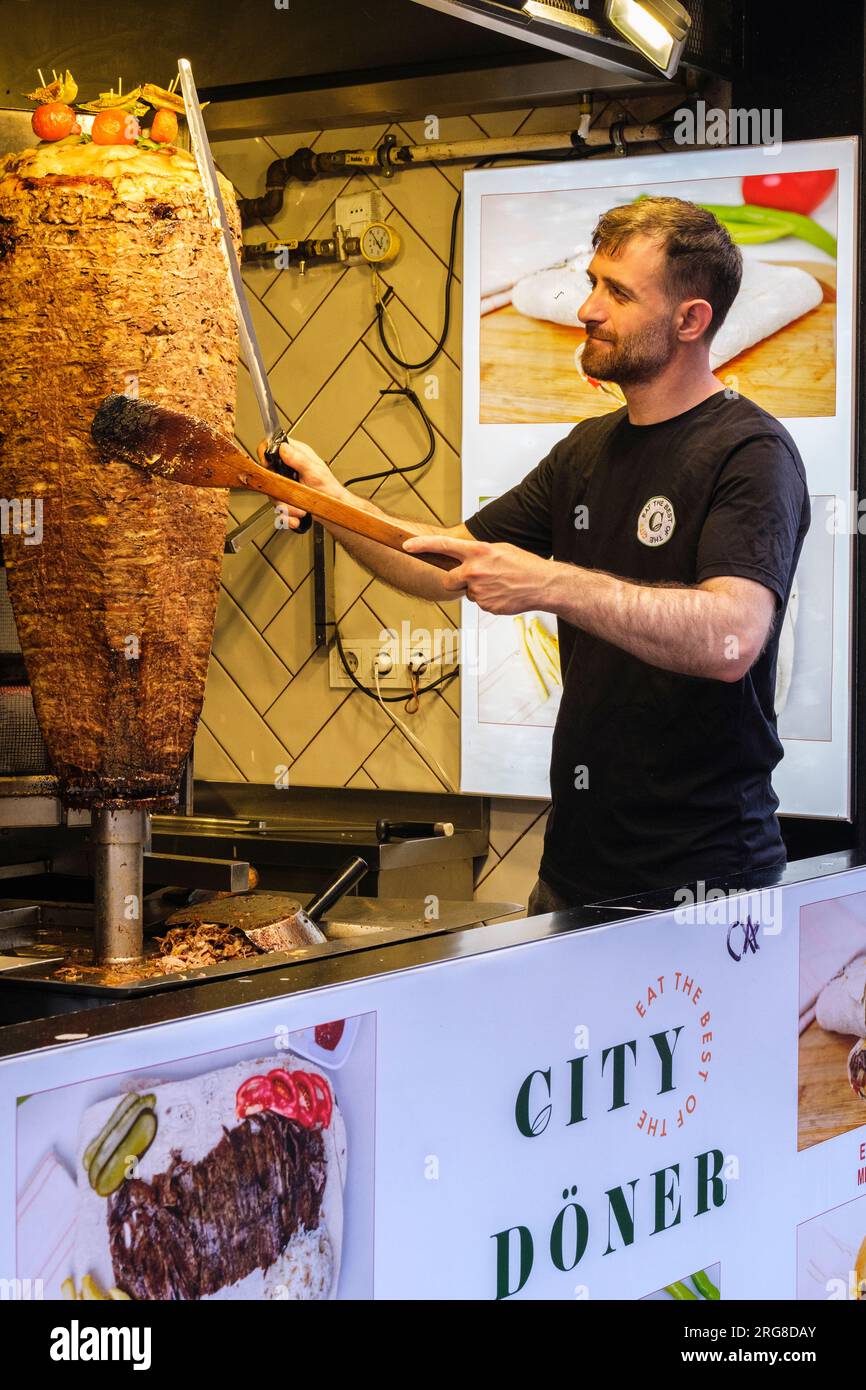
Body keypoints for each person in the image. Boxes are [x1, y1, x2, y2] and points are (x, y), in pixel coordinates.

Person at [259, 196, 810, 913]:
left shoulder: (750, 452)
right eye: (592, 282)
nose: (587, 308)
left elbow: (731, 638)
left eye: (617, 292)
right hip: (574, 872)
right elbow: (440, 564)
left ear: (691, 320)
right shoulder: (586, 451)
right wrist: (329, 499)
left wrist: (550, 583)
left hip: (708, 885)